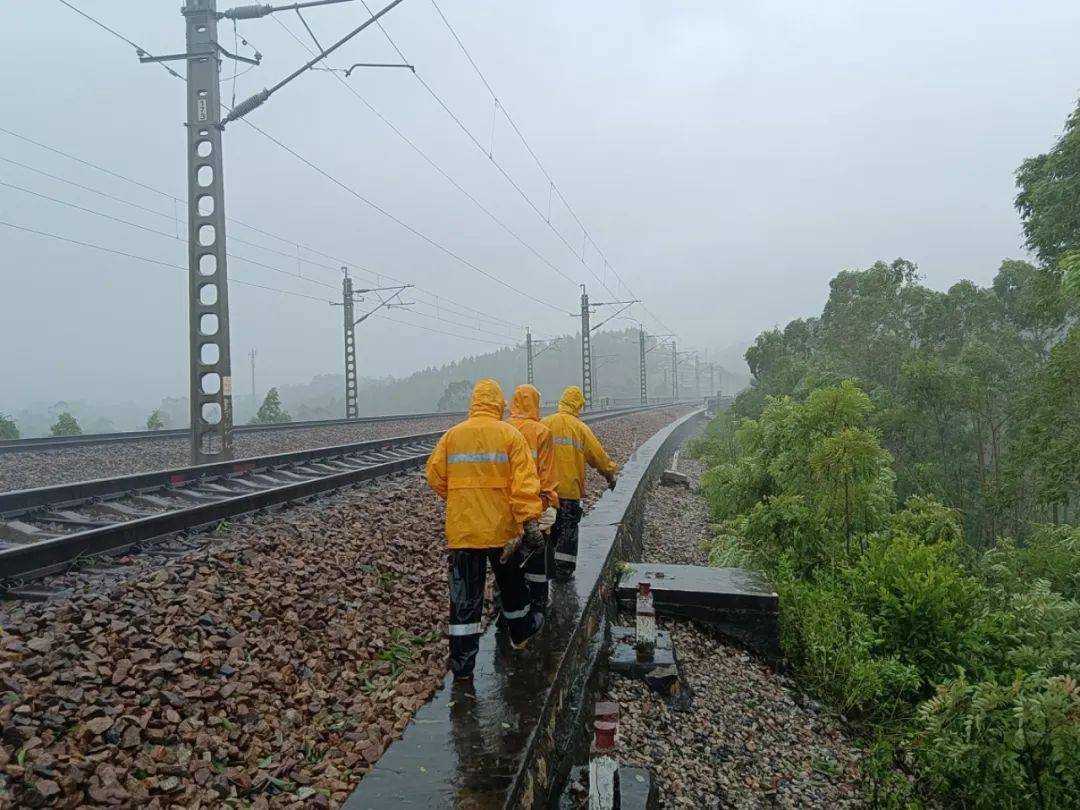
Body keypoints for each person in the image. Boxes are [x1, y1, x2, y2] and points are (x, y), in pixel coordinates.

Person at [425, 379, 547, 680]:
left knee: (465, 596)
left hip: (464, 530)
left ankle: (463, 667)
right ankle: (520, 637)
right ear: (499, 404)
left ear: (474, 402)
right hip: (502, 530)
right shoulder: (510, 435)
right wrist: (529, 520)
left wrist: (460, 497)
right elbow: (524, 485)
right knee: (512, 587)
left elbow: (435, 476)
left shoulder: (452, 436)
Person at [542, 385, 618, 577]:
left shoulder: (544, 423)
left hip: (546, 490)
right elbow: (598, 456)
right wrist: (610, 474)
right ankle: (564, 570)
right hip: (570, 490)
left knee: (549, 529)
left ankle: (546, 569)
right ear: (578, 406)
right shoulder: (580, 428)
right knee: (568, 529)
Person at [507, 383, 560, 613]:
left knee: (510, 555)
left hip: (508, 505)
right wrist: (550, 503)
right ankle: (538, 602)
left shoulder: (503, 428)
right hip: (535, 502)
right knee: (538, 552)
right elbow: (546, 474)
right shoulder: (541, 432)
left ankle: (509, 605)